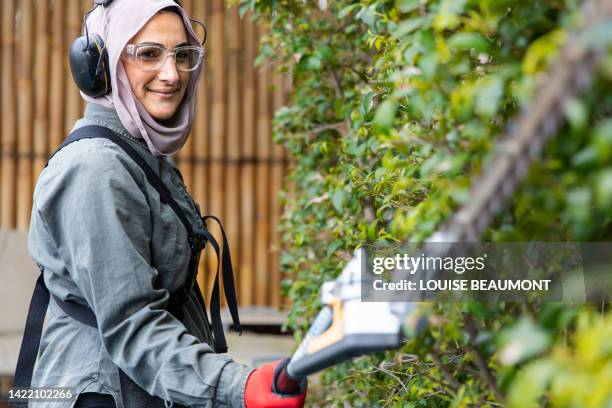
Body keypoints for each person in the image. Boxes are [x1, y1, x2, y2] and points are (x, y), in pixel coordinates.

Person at [25, 0, 306, 407]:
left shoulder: (138, 152)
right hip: (105, 395)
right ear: (101, 67)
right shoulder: (95, 169)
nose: (172, 74)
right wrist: (237, 386)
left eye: (183, 55)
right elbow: (133, 325)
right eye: (149, 54)